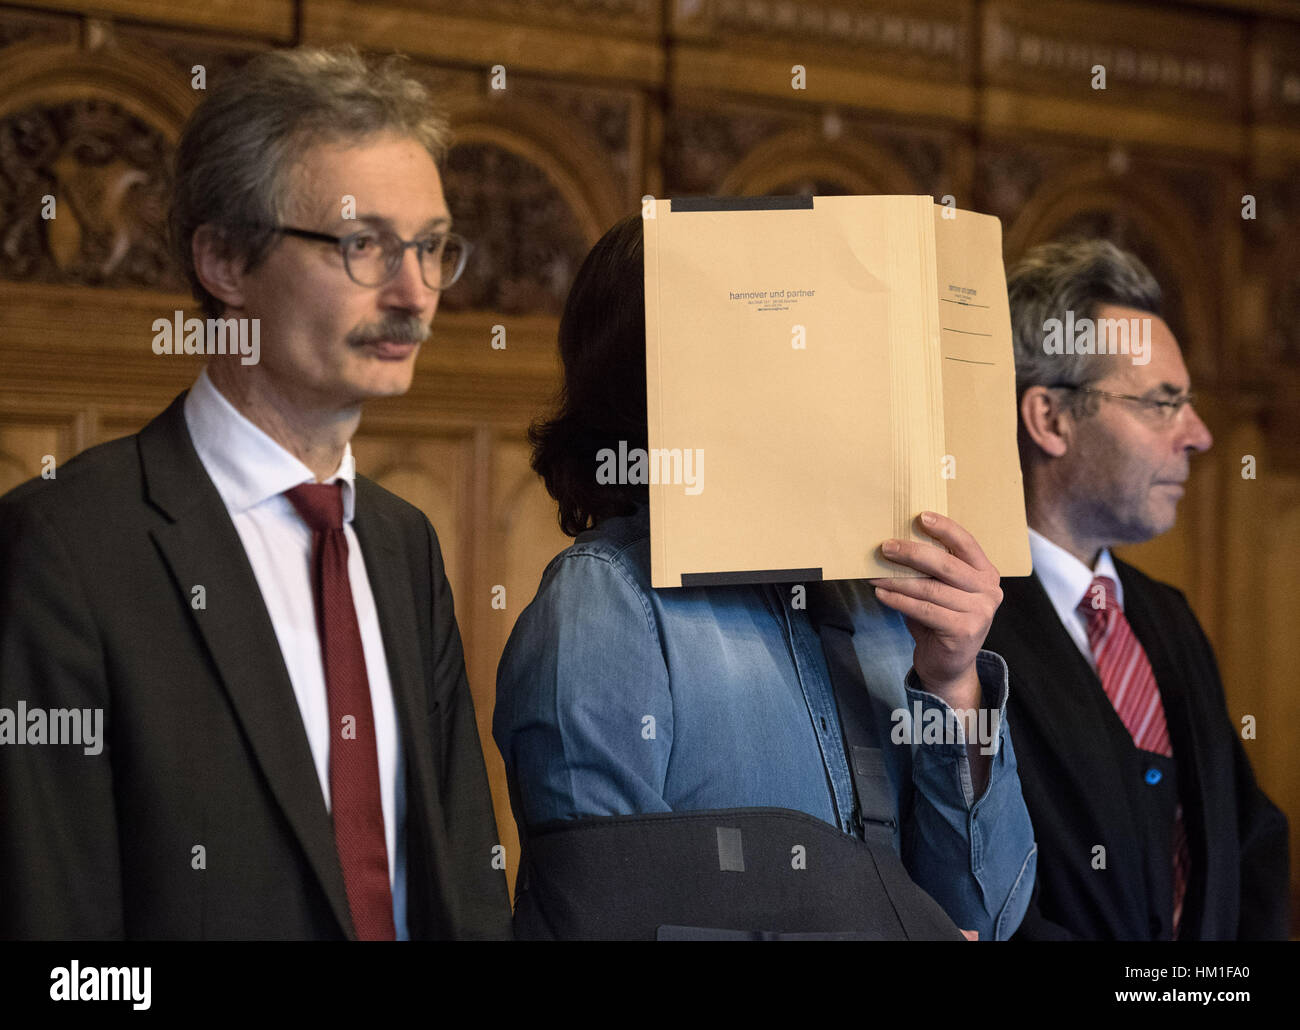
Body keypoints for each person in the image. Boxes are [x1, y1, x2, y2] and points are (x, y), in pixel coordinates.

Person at [0, 47, 511, 940]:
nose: (414, 293)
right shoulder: (65, 545)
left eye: (431, 248)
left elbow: (462, 882)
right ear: (225, 260)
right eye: (364, 246)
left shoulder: (402, 542)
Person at [494, 213, 1037, 940]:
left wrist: (952, 681)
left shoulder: (888, 605)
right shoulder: (604, 602)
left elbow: (983, 913)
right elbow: (611, 924)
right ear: (655, 373)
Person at [984, 238, 1289, 940]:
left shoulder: (1164, 618)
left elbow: (1250, 849)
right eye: (1163, 403)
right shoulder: (966, 624)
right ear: (1050, 419)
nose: (1201, 435)